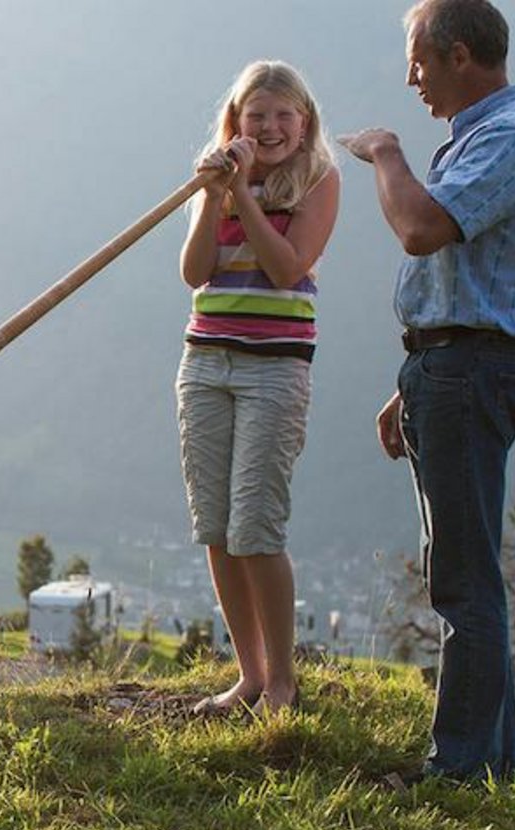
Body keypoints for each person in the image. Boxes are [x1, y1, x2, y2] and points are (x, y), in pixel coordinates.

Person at [340, 0, 515, 782]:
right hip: (451, 367)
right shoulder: (489, 137)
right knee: (467, 573)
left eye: (418, 61)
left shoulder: (510, 137)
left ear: (460, 55)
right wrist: (414, 382)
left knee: (462, 582)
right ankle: (493, 762)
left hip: (469, 368)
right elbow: (460, 279)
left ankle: (461, 771)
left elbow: (421, 230)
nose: (412, 78)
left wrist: (389, 154)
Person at [178, 60, 341, 716]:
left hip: (275, 367)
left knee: (256, 528)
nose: (270, 127)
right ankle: (248, 676)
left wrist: (242, 193)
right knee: (216, 528)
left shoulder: (319, 182)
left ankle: (282, 682)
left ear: (303, 125)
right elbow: (195, 272)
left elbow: (285, 269)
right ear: (236, 123)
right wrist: (214, 194)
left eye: (283, 116)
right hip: (205, 363)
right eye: (257, 116)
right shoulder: (209, 179)